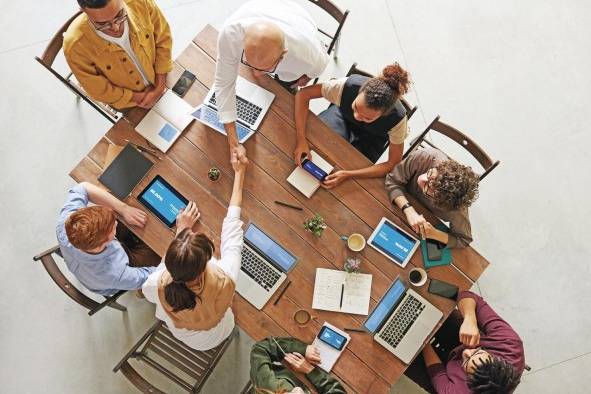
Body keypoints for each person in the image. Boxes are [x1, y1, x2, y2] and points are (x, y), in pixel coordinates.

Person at [142, 152, 247, 350]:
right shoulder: (225, 277)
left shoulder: (155, 284)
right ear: (204, 265)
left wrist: (181, 231)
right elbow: (232, 231)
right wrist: (240, 173)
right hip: (218, 332)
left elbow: (153, 288)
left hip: (190, 339)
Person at [214, 0, 329, 163]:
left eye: (264, 69)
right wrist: (233, 142)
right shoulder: (230, 34)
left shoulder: (307, 56)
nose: (256, 74)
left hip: (297, 21)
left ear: (283, 55)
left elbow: (319, 67)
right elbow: (223, 84)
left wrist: (306, 77)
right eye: (248, 63)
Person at [294, 63, 412, 188]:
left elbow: (393, 163)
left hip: (374, 137)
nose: (357, 116)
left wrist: (348, 174)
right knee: (317, 142)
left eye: (367, 117)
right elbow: (303, 95)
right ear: (360, 91)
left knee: (351, 166)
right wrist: (301, 139)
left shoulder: (398, 121)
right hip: (343, 116)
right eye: (356, 107)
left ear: (384, 114)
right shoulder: (346, 86)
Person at [405, 291, 525, 393]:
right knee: (438, 307)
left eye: (467, 361)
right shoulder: (509, 343)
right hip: (465, 336)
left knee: (405, 358)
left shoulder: (458, 391)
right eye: (478, 351)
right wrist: (470, 319)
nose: (467, 351)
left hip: (446, 375)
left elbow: (436, 371)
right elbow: (467, 295)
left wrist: (422, 340)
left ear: (468, 381)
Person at [63, 0, 173, 109]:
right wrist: (141, 98)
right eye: (102, 24)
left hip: (163, 76)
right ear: (82, 10)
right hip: (131, 104)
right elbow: (99, 90)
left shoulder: (140, 2)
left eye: (119, 15)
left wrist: (159, 87)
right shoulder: (74, 46)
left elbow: (163, 38)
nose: (115, 28)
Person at [56, 182, 160, 296]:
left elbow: (82, 187)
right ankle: (141, 292)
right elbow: (155, 277)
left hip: (90, 264)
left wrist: (124, 209)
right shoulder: (116, 274)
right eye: (113, 226)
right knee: (163, 252)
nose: (116, 221)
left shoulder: (67, 223)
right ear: (106, 241)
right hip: (116, 276)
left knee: (121, 203)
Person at [384, 146, 480, 248]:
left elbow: (464, 240)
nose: (422, 179)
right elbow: (392, 181)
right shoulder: (425, 157)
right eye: (430, 174)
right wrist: (409, 210)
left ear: (439, 201)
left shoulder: (456, 209)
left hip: (418, 229)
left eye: (428, 187)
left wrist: (434, 234)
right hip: (392, 203)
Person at [249, 337, 346, 394]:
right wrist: (311, 371)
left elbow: (260, 349)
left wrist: (302, 349)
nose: (298, 391)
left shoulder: (267, 386)